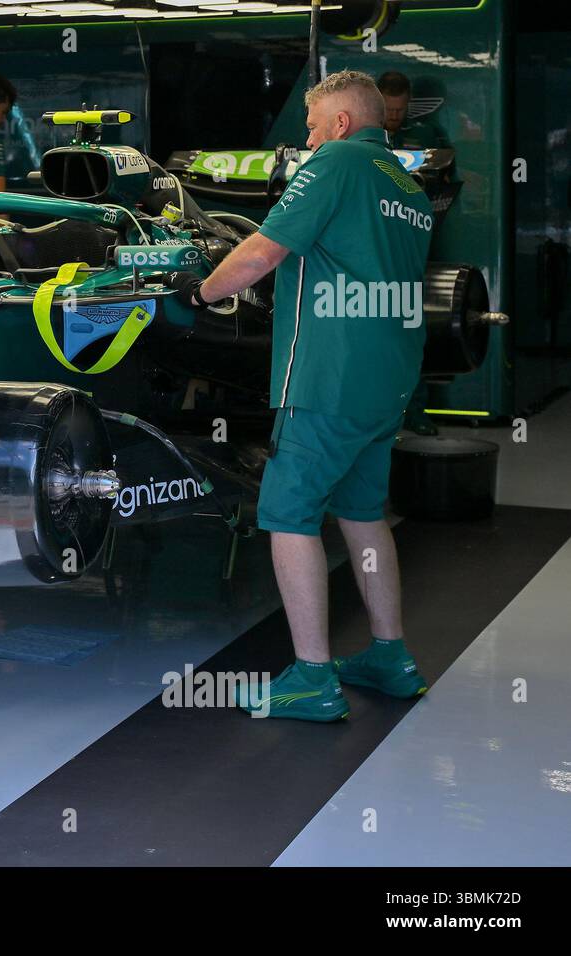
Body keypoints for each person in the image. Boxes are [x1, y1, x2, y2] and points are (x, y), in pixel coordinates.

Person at [167, 70, 432, 721]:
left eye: (312, 126)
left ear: (340, 122)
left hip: (326, 379)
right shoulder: (409, 186)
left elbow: (260, 253)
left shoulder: (334, 162)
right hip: (387, 380)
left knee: (288, 513)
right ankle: (390, 657)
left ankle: (312, 677)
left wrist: (196, 293)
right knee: (365, 512)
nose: (308, 138)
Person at [378, 70, 445, 435]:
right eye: (388, 109)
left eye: (400, 109)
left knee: (411, 332)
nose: (394, 116)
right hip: (369, 257)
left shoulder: (425, 138)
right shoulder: (360, 141)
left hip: (411, 254)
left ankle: (416, 413)